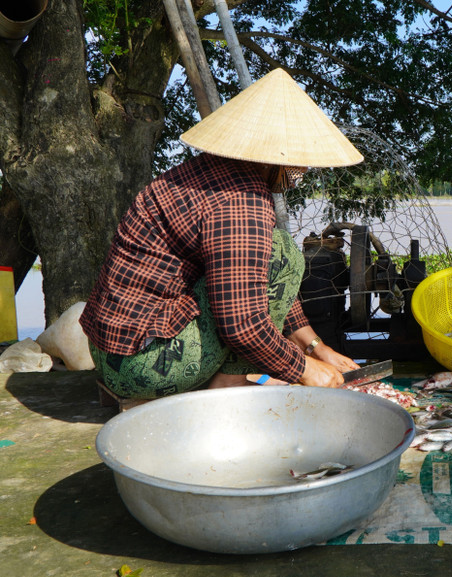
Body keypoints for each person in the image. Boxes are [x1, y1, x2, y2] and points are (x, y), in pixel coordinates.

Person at [80, 69, 362, 400]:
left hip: (109, 351)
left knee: (279, 250)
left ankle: (239, 375)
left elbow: (270, 281)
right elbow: (242, 323)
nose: (300, 173)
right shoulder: (242, 202)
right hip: (141, 364)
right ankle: (229, 384)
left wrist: (317, 347)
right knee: (280, 254)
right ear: (271, 157)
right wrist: (303, 368)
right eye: (297, 163)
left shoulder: (209, 171)